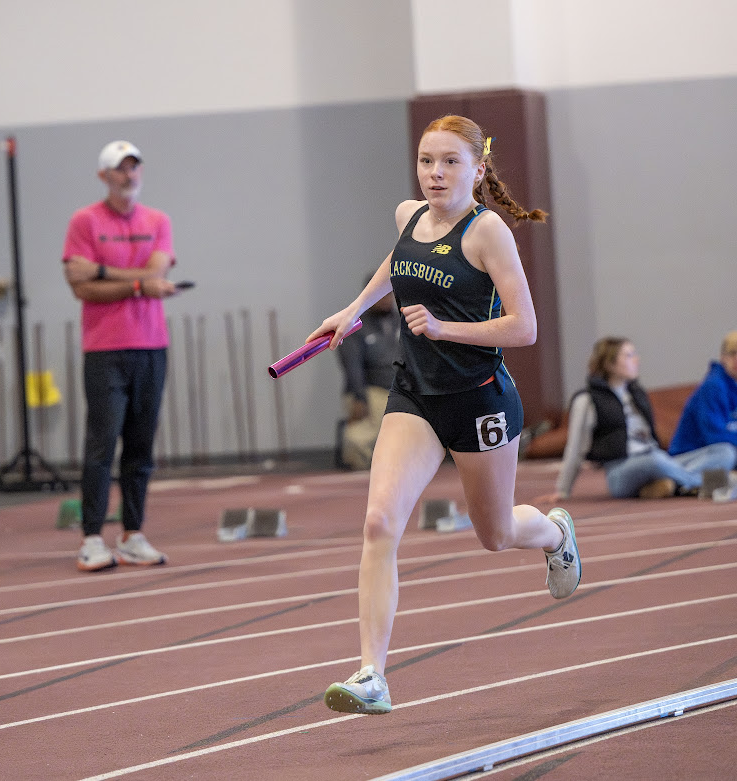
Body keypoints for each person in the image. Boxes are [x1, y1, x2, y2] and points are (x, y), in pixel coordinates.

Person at [307, 115, 581, 716]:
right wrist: (351, 311)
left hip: (479, 398)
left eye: (450, 162)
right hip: (417, 396)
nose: (435, 173)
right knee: (380, 521)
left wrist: (442, 327)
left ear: (477, 170)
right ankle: (371, 675)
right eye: (427, 160)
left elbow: (525, 327)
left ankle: (555, 532)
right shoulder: (408, 215)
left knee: (496, 534)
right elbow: (398, 263)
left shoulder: (488, 235)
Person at [63, 140, 180, 572]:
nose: (128, 176)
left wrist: (101, 271)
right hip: (104, 349)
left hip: (152, 347)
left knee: (141, 445)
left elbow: (157, 272)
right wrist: (136, 285)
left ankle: (132, 534)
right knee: (101, 444)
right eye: (119, 169)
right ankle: (92, 537)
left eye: (134, 168)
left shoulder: (158, 220)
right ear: (104, 176)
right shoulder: (85, 221)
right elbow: (81, 287)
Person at [544, 337, 737, 503]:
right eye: (628, 355)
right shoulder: (587, 400)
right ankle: (715, 483)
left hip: (657, 459)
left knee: (725, 452)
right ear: (609, 363)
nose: (636, 360)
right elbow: (576, 446)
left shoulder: (636, 394)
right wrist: (563, 489)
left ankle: (672, 485)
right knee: (655, 460)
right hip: (621, 471)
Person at [336, 276, 399, 470]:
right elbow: (352, 366)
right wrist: (359, 397)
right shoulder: (355, 324)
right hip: (371, 390)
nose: (386, 299)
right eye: (381, 295)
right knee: (386, 419)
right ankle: (356, 455)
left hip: (401, 388)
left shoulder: (402, 320)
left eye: (389, 294)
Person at [669, 332, 737, 457]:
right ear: (722, 358)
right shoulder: (714, 386)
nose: (736, 360)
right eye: (732, 354)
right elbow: (714, 437)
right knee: (727, 454)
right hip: (691, 455)